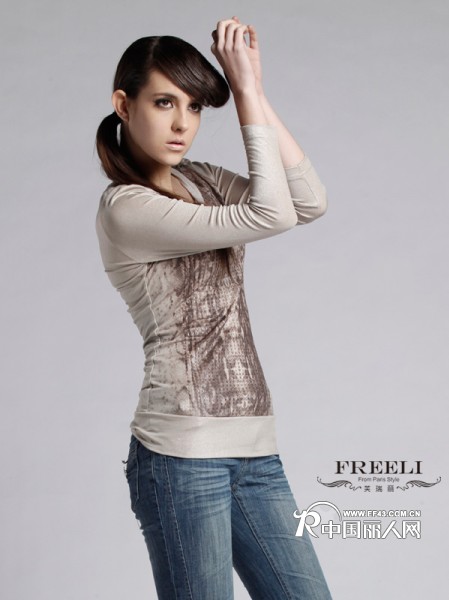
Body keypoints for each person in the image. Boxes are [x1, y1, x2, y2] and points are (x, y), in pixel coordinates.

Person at [95, 16, 333, 600]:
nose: (183, 123)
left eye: (196, 107)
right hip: (180, 458)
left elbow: (308, 201)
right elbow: (270, 215)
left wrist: (256, 89)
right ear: (123, 106)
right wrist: (244, 93)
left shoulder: (203, 181)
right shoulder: (126, 208)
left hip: (256, 453)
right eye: (164, 102)